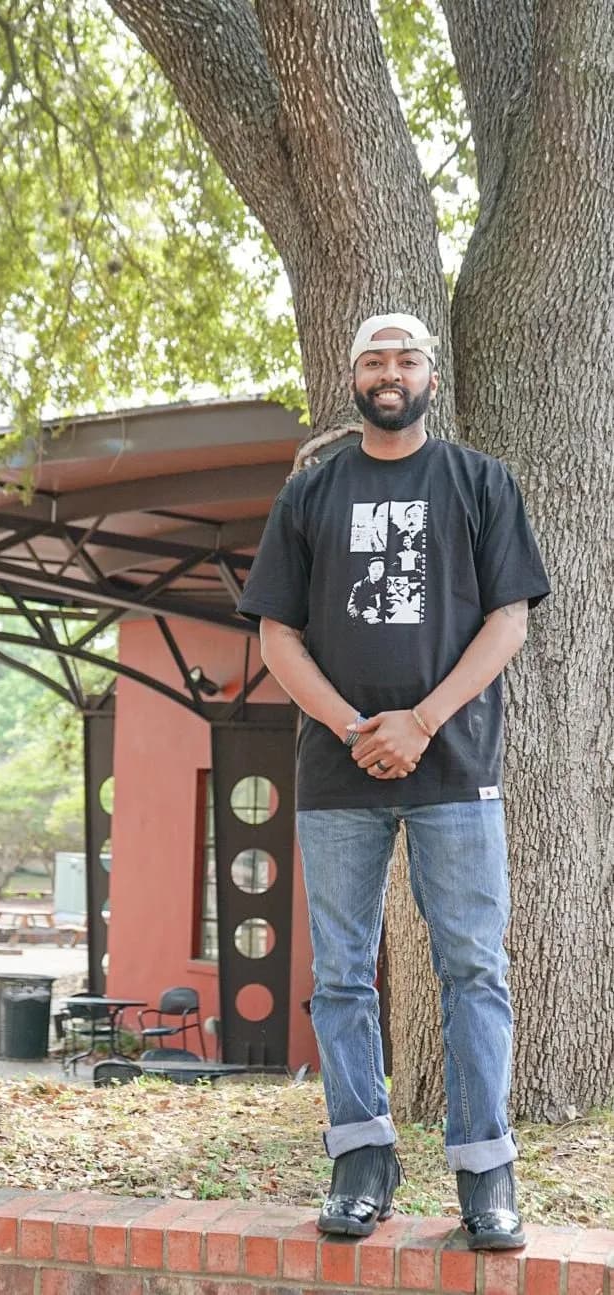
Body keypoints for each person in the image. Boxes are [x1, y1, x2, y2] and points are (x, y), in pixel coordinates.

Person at [237, 312, 550, 1250]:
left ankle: (485, 1173)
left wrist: (421, 720)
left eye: (405, 358)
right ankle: (360, 1160)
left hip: (454, 764)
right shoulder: (310, 493)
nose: (389, 371)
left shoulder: (479, 482)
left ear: (429, 377)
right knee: (340, 975)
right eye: (373, 359)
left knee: (473, 968)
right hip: (338, 771)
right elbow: (276, 635)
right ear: (353, 377)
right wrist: (352, 727)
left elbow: (507, 621)